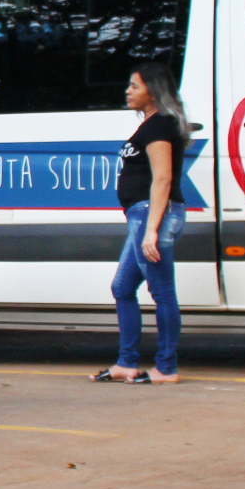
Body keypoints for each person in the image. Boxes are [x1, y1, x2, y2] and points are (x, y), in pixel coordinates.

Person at [95, 61, 190, 384]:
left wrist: (151, 228)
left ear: (153, 91)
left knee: (162, 292)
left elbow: (162, 179)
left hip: (154, 215)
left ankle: (166, 367)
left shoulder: (160, 126)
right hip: (144, 215)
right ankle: (127, 363)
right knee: (122, 288)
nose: (128, 91)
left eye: (134, 86)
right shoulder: (151, 125)